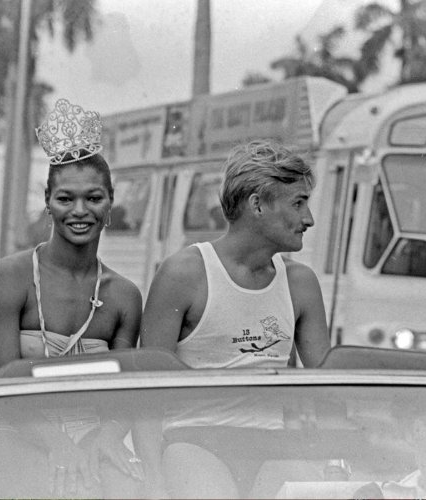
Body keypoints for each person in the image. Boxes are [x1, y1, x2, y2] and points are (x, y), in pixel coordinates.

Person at [136, 139, 332, 498]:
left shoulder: (301, 283)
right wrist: (152, 479)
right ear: (257, 204)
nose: (309, 219)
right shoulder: (185, 273)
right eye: (299, 203)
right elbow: (144, 391)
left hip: (272, 446)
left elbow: (330, 389)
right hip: (196, 442)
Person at [0, 98, 144, 498]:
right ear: (47, 202)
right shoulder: (11, 276)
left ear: (110, 203)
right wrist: (59, 447)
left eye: (94, 198)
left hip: (92, 437)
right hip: (16, 429)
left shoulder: (124, 295)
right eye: (65, 198)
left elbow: (125, 395)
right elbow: (3, 389)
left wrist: (100, 442)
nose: (80, 211)